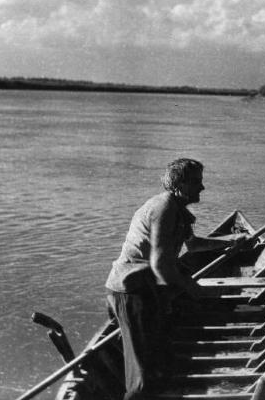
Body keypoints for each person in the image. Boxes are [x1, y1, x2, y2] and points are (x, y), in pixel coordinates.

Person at [105, 158, 247, 399]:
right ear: (181, 184)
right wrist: (190, 290)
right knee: (143, 378)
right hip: (132, 292)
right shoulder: (164, 209)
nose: (202, 188)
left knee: (159, 360)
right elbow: (160, 264)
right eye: (197, 182)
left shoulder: (176, 208)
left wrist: (229, 242)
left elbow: (192, 246)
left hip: (146, 288)